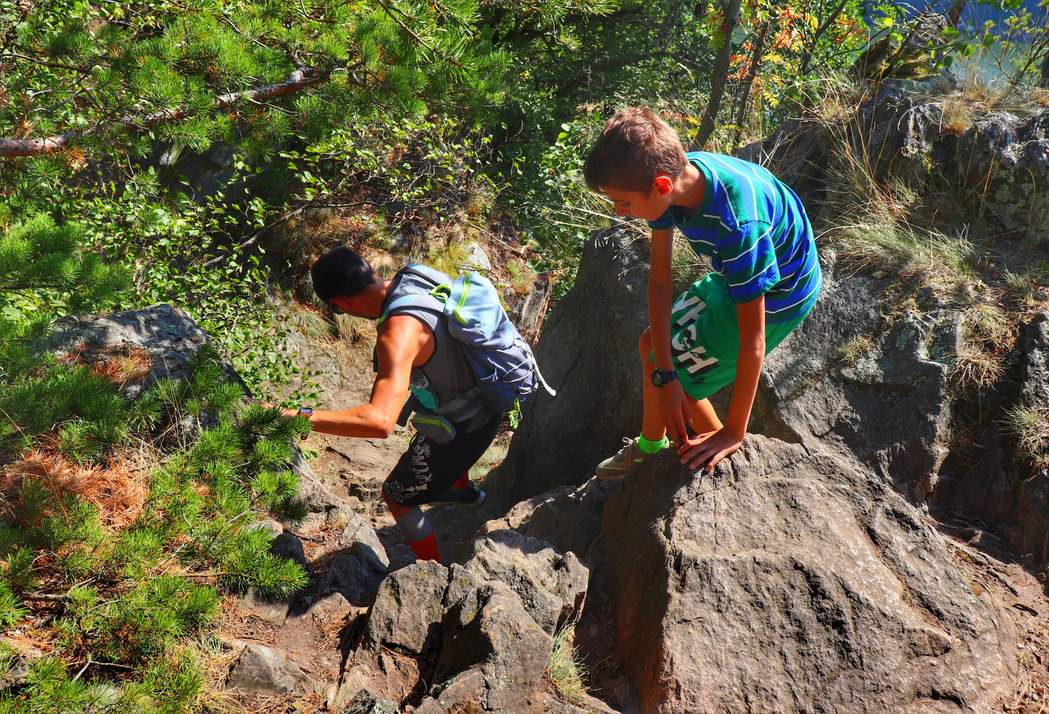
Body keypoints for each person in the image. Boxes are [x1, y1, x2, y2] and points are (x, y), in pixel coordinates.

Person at [584, 107, 821, 478]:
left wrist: (734, 431)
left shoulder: (738, 225)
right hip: (735, 278)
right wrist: (664, 377)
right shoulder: (672, 185)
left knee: (686, 381)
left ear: (661, 185)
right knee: (652, 347)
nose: (621, 212)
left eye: (624, 202)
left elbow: (753, 341)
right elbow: (660, 282)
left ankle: (721, 454)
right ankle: (650, 446)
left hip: (778, 296)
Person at [286, 247, 505, 564]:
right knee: (430, 427)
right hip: (490, 395)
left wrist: (300, 417)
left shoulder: (397, 332)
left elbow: (379, 422)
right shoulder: (416, 276)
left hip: (467, 426)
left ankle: (431, 570)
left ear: (342, 303)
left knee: (396, 496)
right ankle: (462, 489)